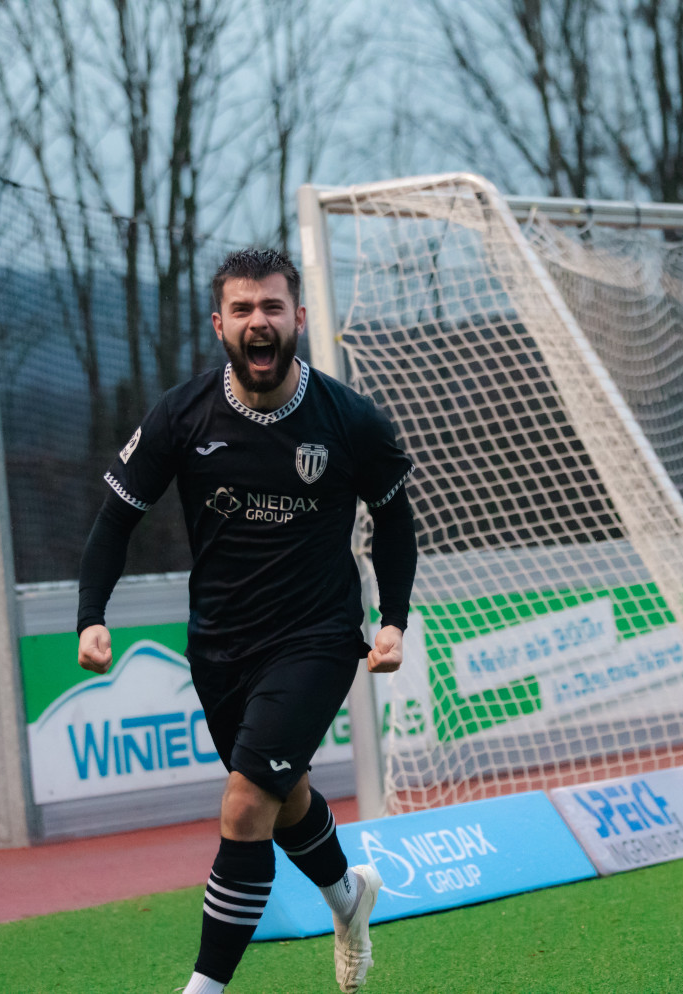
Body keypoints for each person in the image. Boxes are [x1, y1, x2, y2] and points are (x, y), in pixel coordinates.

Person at [76, 247, 418, 993]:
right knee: (280, 792)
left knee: (245, 802)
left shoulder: (349, 418)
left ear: (297, 318)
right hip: (221, 645)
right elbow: (114, 522)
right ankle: (348, 897)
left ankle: (204, 988)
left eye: (271, 307)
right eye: (242, 309)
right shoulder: (182, 414)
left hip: (318, 638)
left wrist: (392, 618)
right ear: (219, 324)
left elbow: (395, 519)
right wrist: (90, 617)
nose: (257, 321)